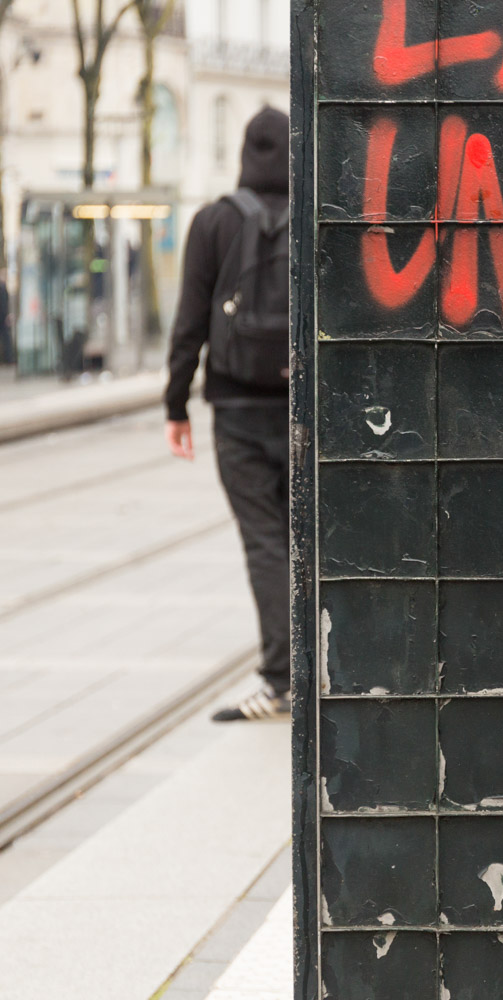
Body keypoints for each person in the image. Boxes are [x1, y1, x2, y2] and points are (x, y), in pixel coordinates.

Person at [163, 107, 292, 719]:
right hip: (301, 408)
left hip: (236, 410)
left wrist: (176, 404)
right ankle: (318, 668)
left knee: (265, 543)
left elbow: (189, 322)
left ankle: (281, 678)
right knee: (307, 540)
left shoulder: (214, 221)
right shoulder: (311, 218)